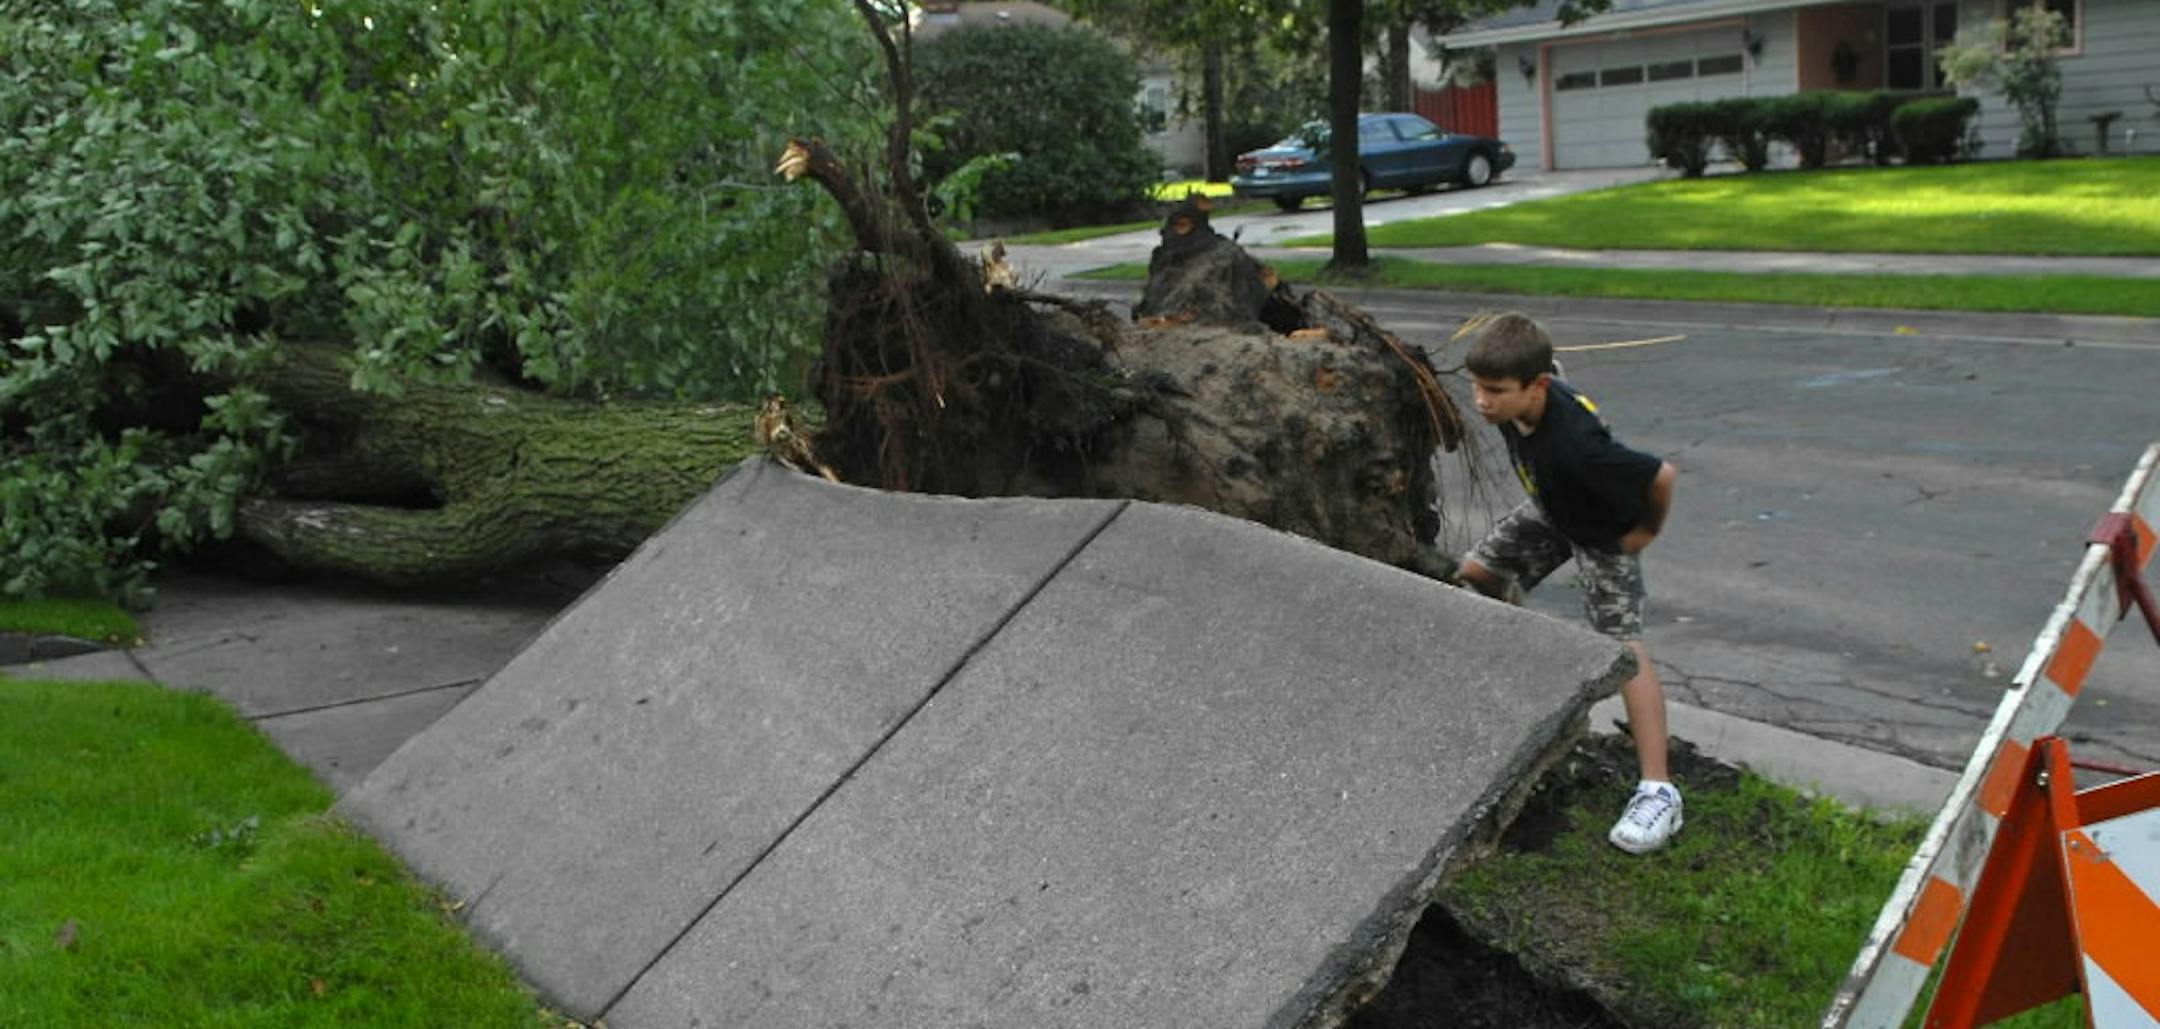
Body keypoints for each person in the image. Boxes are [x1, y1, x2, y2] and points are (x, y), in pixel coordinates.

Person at [1454, 312, 1682, 855]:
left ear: (1536, 388)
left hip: (1604, 533)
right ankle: (1525, 678)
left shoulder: (1580, 447)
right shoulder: (1522, 395)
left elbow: (1661, 475)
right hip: (1552, 509)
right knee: (1477, 574)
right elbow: (1550, 363)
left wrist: (1644, 531)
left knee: (1620, 649)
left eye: (1495, 391)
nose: (1482, 402)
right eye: (1476, 388)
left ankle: (1659, 791)